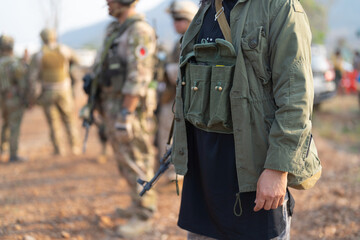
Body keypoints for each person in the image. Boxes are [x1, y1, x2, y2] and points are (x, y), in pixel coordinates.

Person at [171, 0, 321, 239]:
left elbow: (296, 98)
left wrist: (277, 169)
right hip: (204, 174)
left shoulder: (280, 8)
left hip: (253, 174)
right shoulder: (207, 8)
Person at [86, 0, 157, 237]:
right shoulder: (115, 29)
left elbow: (139, 76)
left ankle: (144, 214)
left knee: (137, 159)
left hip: (129, 109)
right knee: (124, 160)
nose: (106, 3)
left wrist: (126, 114)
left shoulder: (139, 31)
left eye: (110, 0)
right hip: (112, 105)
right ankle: (136, 202)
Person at [156, 0, 199, 181]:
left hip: (185, 98)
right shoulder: (179, 41)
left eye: (180, 18)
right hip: (174, 96)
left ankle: (176, 169)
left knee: (172, 133)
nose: (176, 23)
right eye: (175, 19)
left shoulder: (193, 39)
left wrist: (166, 69)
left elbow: (189, 70)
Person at [28, 28, 81, 156]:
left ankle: (59, 150)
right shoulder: (64, 50)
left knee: (53, 122)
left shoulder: (38, 55)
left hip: (48, 91)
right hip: (64, 90)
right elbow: (76, 62)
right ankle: (75, 147)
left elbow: (32, 78)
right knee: (69, 119)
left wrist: (33, 96)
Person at [0, 34, 28, 162]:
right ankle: (13, 154)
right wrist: (25, 98)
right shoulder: (15, 64)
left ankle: (2, 150)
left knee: (5, 124)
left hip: (2, 100)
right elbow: (22, 83)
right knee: (14, 126)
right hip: (13, 99)